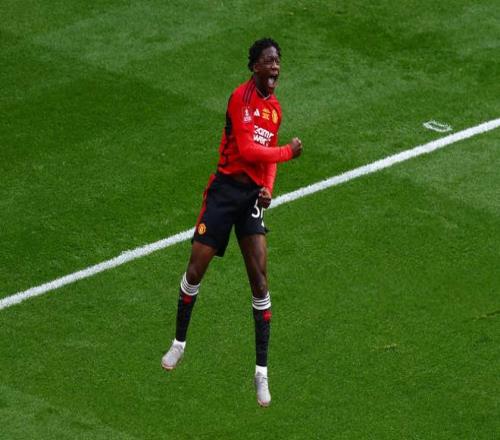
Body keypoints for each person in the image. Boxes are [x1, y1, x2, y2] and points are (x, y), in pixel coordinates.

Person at [161, 37, 302, 407]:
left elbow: (266, 159)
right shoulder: (240, 98)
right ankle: (179, 343)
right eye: (269, 60)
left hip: (251, 197)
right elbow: (249, 150)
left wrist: (268, 189)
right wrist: (288, 152)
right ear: (254, 65)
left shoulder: (275, 110)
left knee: (260, 280)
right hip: (224, 193)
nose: (275, 67)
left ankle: (261, 374)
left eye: (278, 61)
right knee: (196, 268)